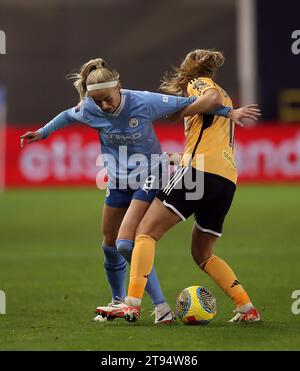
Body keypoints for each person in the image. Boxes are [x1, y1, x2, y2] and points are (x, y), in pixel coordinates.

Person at [21, 57, 259, 324]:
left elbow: (200, 102)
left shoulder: (155, 98)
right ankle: (244, 307)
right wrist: (42, 133)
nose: (104, 106)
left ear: (119, 86)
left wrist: (228, 112)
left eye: (108, 99)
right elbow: (67, 115)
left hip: (155, 173)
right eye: (98, 101)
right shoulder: (91, 107)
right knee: (114, 243)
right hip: (137, 179)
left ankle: (148, 306)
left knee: (133, 239)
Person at [95, 49, 261, 323]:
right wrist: (178, 156)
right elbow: (210, 132)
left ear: (188, 70)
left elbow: (212, 98)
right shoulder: (224, 96)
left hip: (199, 172)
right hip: (226, 180)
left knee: (144, 233)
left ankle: (131, 303)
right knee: (203, 253)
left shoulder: (199, 83)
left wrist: (182, 110)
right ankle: (246, 308)